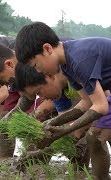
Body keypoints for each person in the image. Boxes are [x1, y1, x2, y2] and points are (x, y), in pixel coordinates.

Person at [14, 21, 111, 179]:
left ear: (47, 48)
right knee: (96, 135)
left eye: (36, 65)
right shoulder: (67, 65)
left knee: (96, 135)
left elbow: (101, 106)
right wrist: (53, 123)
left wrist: (66, 130)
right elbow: (87, 102)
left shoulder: (79, 60)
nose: (39, 71)